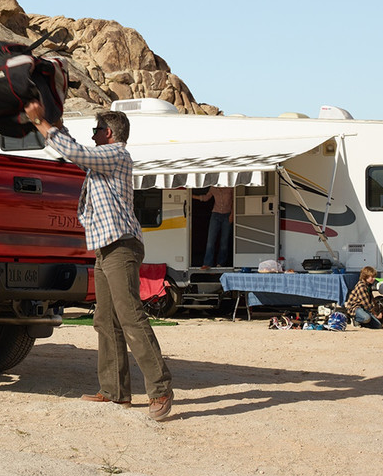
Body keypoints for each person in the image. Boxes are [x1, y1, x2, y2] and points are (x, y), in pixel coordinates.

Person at [24, 99, 174, 421]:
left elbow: (77, 153)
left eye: (95, 131)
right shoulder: (103, 161)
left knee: (130, 316)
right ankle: (115, 393)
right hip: (107, 248)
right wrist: (51, 125)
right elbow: (78, 152)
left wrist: (43, 124)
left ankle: (160, 390)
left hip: (119, 246)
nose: (92, 136)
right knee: (105, 320)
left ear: (108, 133)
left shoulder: (116, 154)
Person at [193, 186, 233, 269]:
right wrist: (192, 196)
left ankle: (220, 264)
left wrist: (232, 214)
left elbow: (234, 200)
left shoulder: (230, 187)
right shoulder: (213, 188)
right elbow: (206, 198)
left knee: (224, 241)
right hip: (215, 215)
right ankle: (207, 263)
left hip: (227, 215)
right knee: (210, 240)